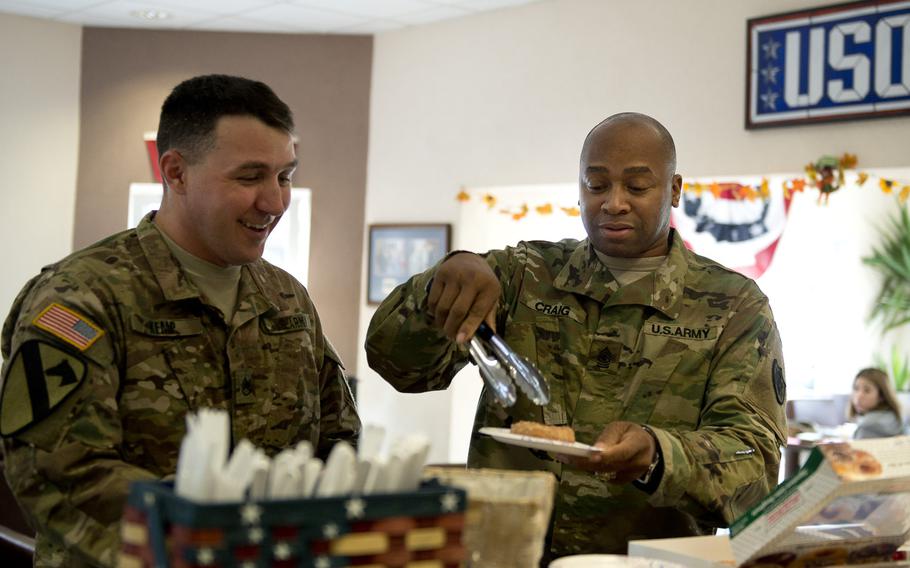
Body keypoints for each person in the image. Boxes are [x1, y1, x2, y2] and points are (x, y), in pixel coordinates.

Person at [366, 112, 787, 559]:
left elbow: (754, 468)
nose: (614, 203)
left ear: (675, 189)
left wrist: (659, 453)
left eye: (637, 187)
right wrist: (440, 281)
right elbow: (398, 364)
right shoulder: (524, 276)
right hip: (503, 554)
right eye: (597, 185)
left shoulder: (732, 305)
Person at [0, 74, 360, 567]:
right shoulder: (82, 297)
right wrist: (214, 541)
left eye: (285, 176)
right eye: (250, 177)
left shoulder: (285, 298)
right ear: (175, 173)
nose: (274, 202)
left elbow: (338, 442)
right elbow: (59, 470)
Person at [849, 368, 903, 439]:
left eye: (867, 390)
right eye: (856, 388)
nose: (859, 396)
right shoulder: (895, 420)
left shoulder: (865, 430)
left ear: (882, 396)